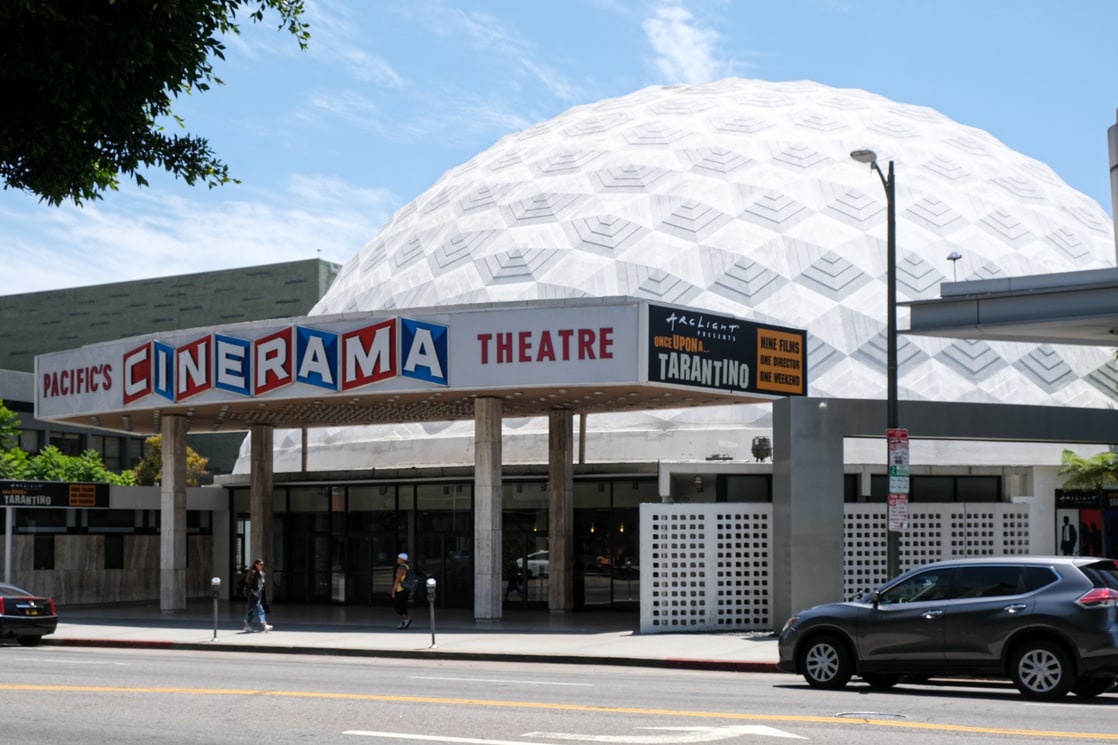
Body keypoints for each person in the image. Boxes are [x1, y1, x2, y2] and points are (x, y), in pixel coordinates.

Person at [242, 558, 273, 633]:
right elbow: (250, 586)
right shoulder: (253, 573)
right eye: (260, 564)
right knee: (260, 610)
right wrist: (254, 594)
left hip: (259, 593)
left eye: (263, 565)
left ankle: (246, 626)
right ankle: (264, 625)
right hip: (254, 594)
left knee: (252, 611)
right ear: (256, 565)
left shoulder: (260, 573)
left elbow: (261, 585)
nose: (262, 566)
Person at [391, 552, 413, 629]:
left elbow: (397, 580)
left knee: (396, 605)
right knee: (403, 606)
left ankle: (406, 619)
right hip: (406, 589)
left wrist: (393, 591)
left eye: (399, 558)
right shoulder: (406, 567)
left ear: (403, 560)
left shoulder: (401, 568)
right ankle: (404, 622)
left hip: (400, 589)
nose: (397, 560)